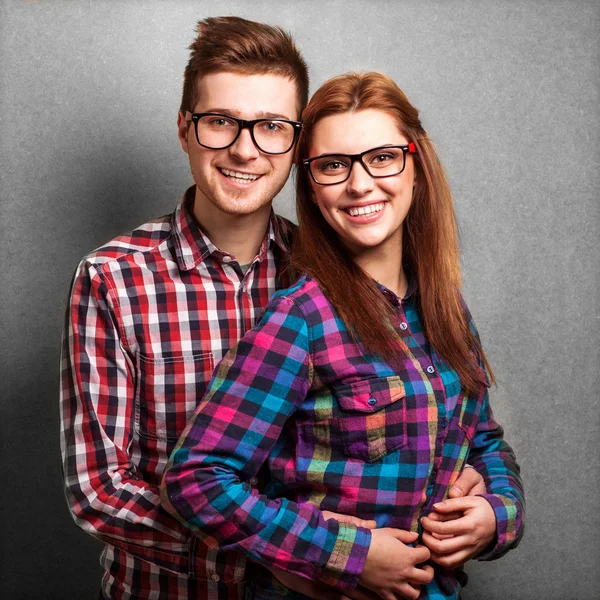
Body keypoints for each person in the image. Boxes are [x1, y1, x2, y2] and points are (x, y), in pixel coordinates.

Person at [59, 14, 486, 600]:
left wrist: (480, 502)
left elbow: (443, 428)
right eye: (220, 122)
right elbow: (99, 490)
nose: (245, 148)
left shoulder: (337, 272)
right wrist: (279, 559)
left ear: (296, 145)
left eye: (271, 127)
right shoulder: (113, 278)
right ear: (185, 129)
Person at [160, 72, 525, 600]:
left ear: (416, 165)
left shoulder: (445, 309)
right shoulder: (299, 319)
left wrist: (497, 514)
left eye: (381, 157)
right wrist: (347, 555)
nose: (359, 184)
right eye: (333, 166)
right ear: (311, 184)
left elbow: (485, 442)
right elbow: (196, 480)